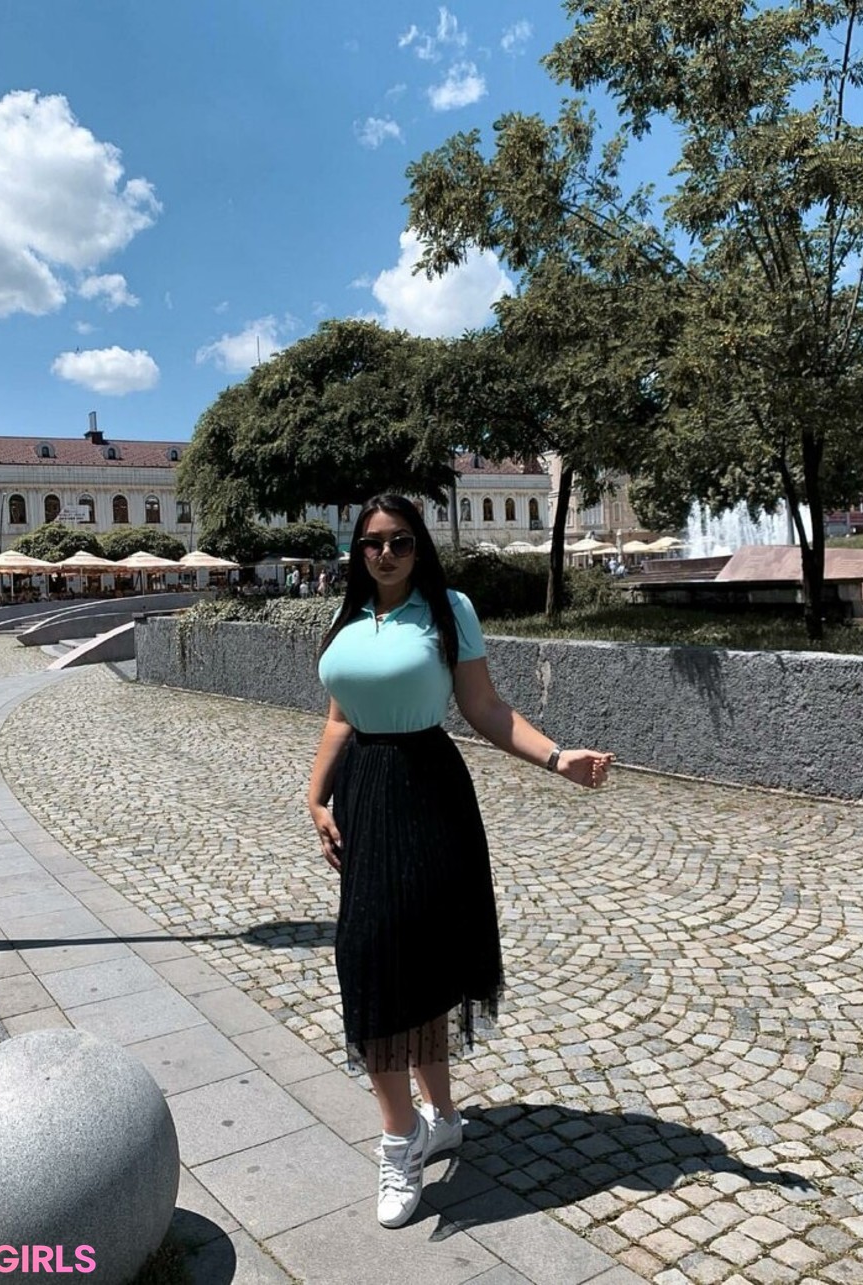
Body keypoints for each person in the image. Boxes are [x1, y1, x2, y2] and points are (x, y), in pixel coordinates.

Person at [309, 494, 613, 1229]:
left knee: (414, 959)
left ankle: (412, 1133)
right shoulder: (350, 617)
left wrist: (558, 757)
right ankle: (421, 1125)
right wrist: (316, 796)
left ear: (420, 546)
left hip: (428, 790)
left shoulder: (448, 610)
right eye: (373, 542)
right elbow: (340, 715)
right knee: (369, 954)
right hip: (363, 793)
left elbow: (485, 708)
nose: (385, 553)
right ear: (358, 551)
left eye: (400, 541)